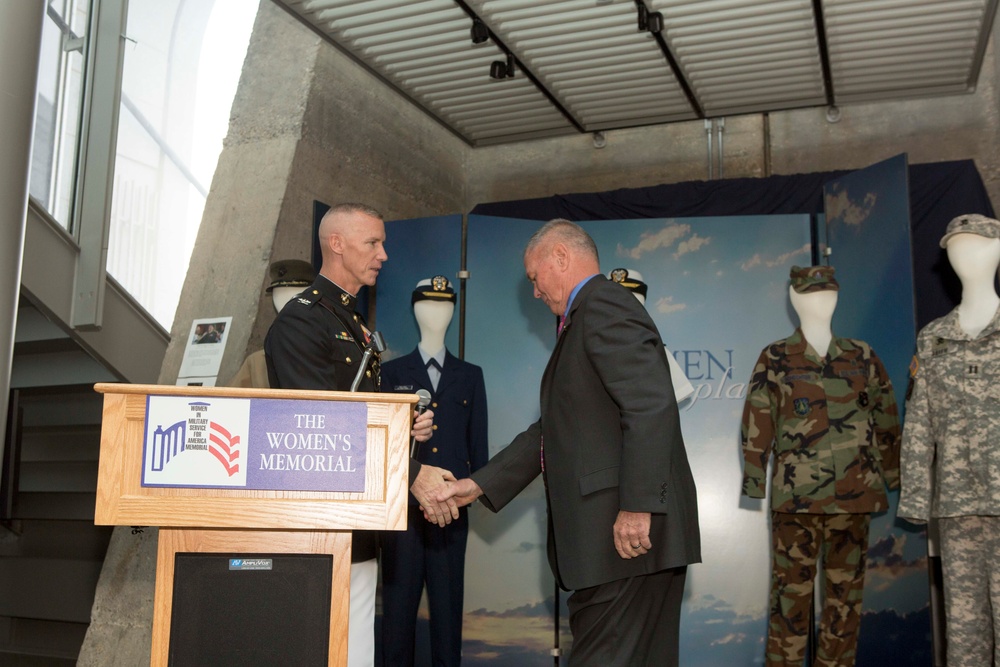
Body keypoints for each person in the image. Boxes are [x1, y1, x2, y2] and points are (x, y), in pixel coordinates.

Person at [435, 219, 701, 667]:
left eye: (534, 278)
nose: (535, 292)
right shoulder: (588, 315)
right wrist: (479, 485)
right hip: (621, 551)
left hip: (624, 543)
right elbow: (552, 429)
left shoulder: (604, 307)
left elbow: (651, 405)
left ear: (560, 256)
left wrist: (638, 507)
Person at [264, 202, 461, 667]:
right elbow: (321, 431)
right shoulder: (302, 321)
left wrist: (403, 428)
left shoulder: (350, 321)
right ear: (336, 244)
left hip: (359, 525)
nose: (384, 254)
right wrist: (411, 473)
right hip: (324, 527)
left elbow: (355, 414)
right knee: (326, 649)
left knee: (355, 651)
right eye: (373, 242)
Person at [741, 265, 900, 667]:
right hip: (796, 503)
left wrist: (895, 474)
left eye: (827, 294)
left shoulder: (861, 356)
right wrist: (755, 482)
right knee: (789, 604)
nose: (819, 303)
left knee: (844, 606)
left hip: (855, 499)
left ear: (837, 298)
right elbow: (757, 421)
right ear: (794, 299)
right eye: (810, 295)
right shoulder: (776, 357)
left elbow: (886, 419)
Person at [899, 214, 1000, 667]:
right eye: (954, 247)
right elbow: (919, 422)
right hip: (957, 505)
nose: (963, 256)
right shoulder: (934, 338)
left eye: (974, 245)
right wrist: (917, 499)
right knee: (963, 628)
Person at [379, 276, 489, 667]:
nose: (437, 313)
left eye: (445, 306)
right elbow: (382, 443)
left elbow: (479, 448)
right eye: (429, 305)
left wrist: (472, 494)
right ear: (414, 310)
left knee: (447, 620)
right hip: (402, 514)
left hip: (450, 513)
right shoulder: (390, 374)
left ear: (454, 311)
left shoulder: (470, 375)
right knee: (396, 618)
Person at [230, 258, 315, 388]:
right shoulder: (256, 364)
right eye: (279, 294)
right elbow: (229, 403)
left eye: (298, 292)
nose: (284, 300)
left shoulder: (327, 356)